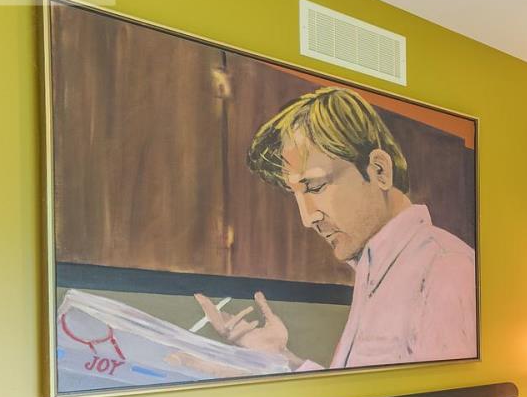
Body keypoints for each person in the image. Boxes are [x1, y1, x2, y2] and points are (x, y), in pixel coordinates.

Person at [195, 87, 476, 369]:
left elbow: (444, 395)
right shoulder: (377, 268)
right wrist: (280, 357)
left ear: (379, 170)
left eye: (316, 186)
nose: (308, 218)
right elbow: (364, 390)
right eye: (296, 194)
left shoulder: (445, 271)